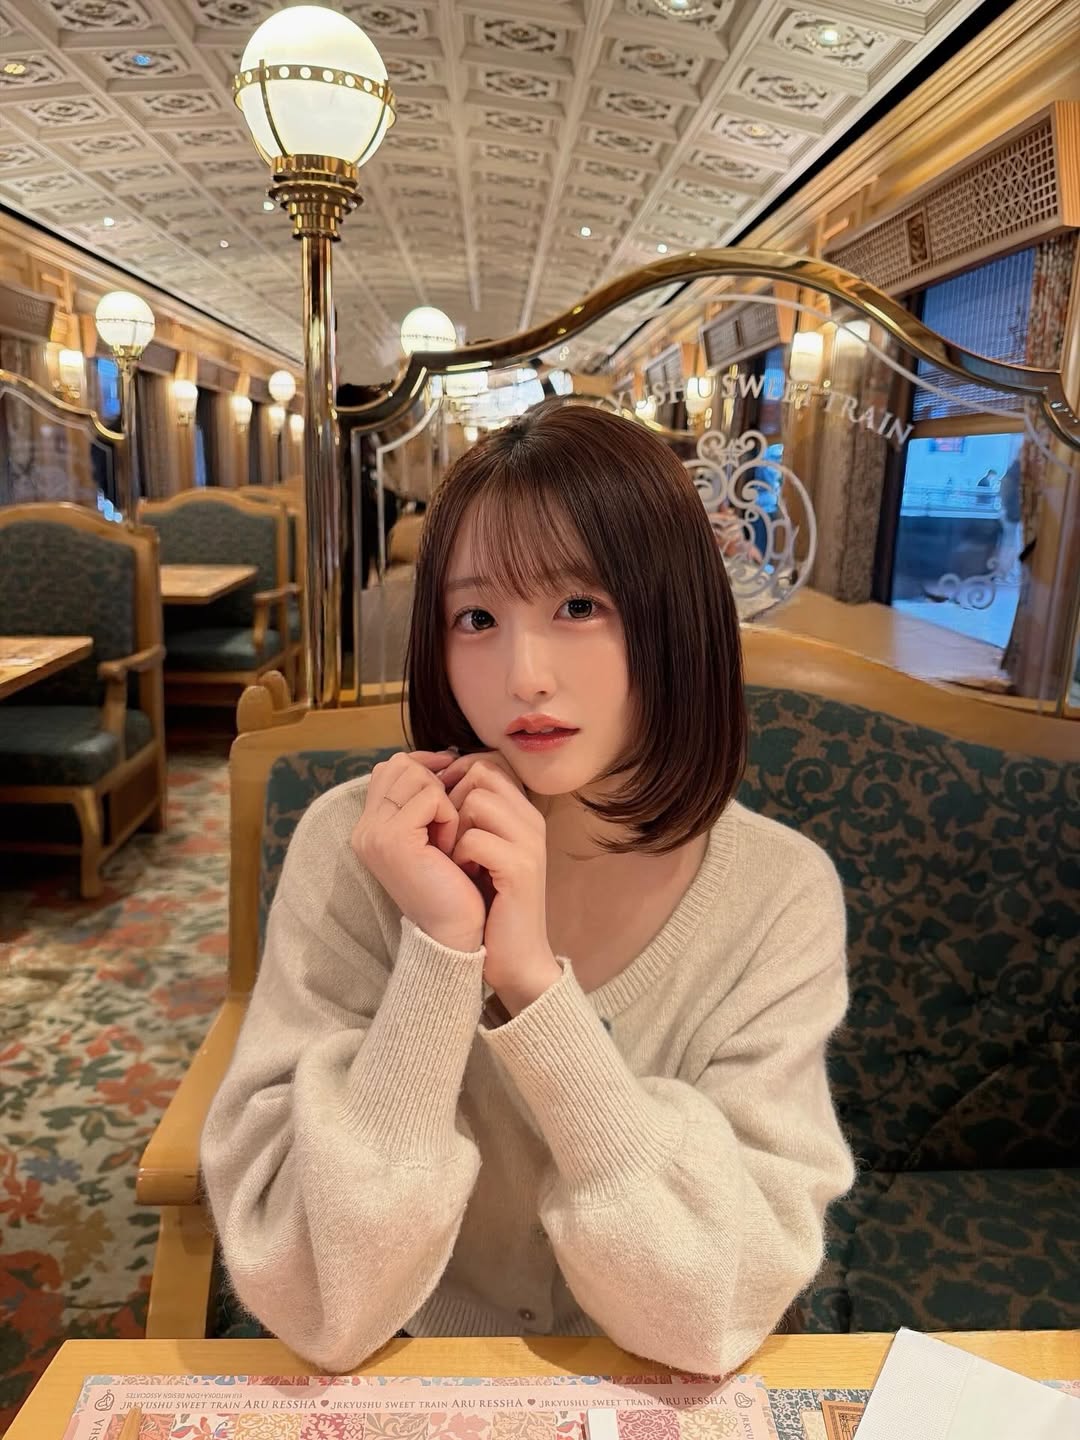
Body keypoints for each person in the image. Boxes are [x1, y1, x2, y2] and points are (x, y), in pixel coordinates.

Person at [201, 400, 855, 1375]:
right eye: (477, 618)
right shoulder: (358, 849)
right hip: (411, 1368)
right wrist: (440, 950)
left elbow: (709, 1312)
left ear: (675, 615)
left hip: (658, 1384)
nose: (525, 677)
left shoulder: (778, 894)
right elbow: (317, 1300)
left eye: (579, 606)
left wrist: (534, 991)